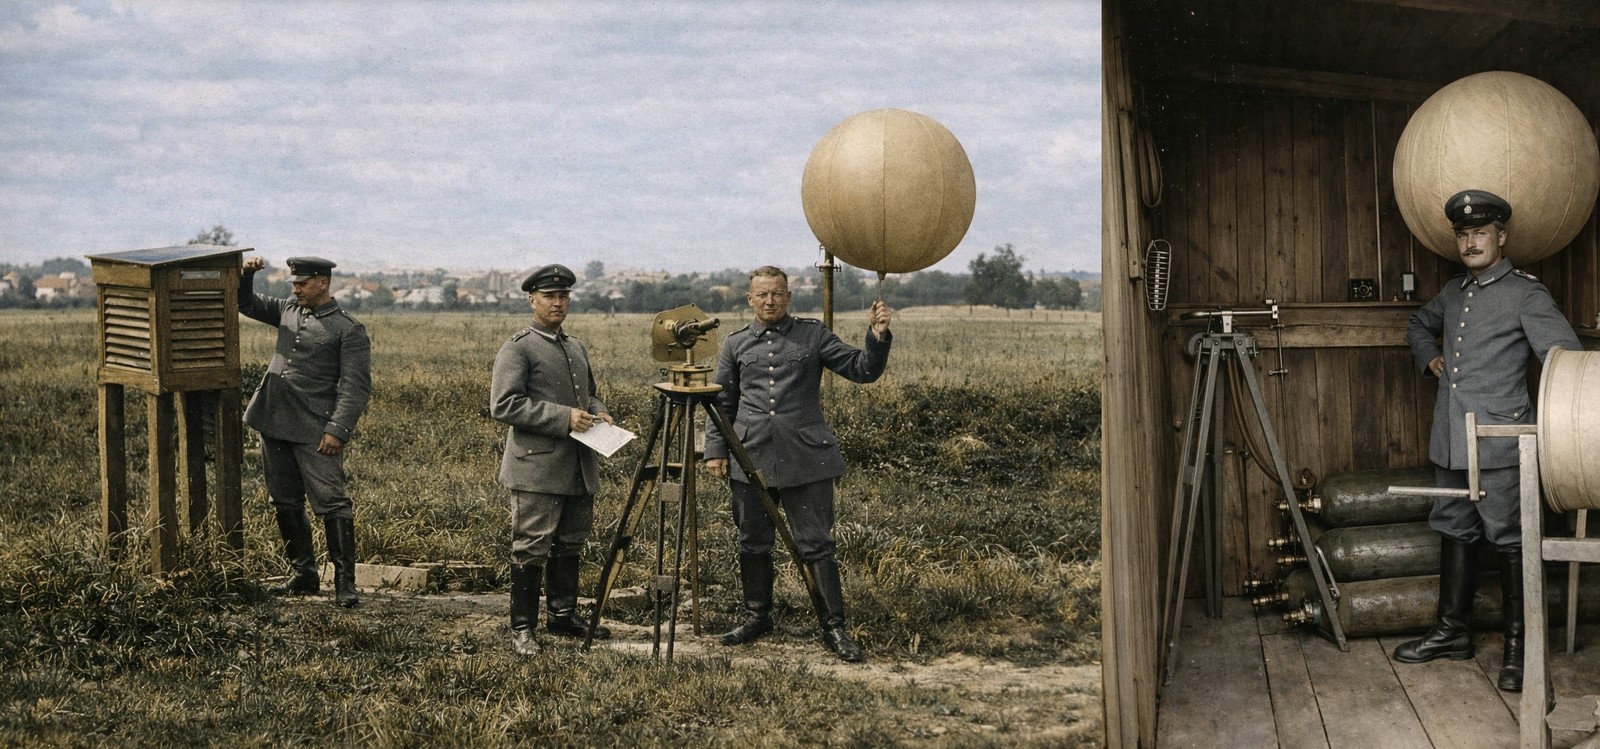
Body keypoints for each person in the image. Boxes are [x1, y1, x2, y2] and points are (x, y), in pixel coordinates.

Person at [1394, 189, 1580, 693]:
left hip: (1501, 443)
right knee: (1454, 528)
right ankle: (1451, 633)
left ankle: (1521, 649)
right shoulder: (1454, 291)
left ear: (1502, 237)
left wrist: (1562, 429)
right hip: (1451, 439)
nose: (1470, 242)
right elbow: (1418, 323)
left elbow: (1565, 361)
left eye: (1479, 233)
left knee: (1511, 539)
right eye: (1463, 234)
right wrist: (1428, 356)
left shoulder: (1526, 294)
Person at [703, 265, 892, 663]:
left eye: (777, 293)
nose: (770, 301)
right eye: (762, 295)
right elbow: (723, 403)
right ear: (749, 300)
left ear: (789, 297)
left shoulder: (813, 334)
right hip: (751, 458)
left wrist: (877, 337)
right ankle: (757, 618)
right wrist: (716, 450)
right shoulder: (736, 343)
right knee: (753, 542)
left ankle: (834, 627)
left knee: (816, 544)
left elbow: (862, 370)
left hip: (806, 459)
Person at [490, 263, 614, 655]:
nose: (558, 303)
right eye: (549, 297)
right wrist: (564, 418)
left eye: (563, 296)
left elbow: (588, 395)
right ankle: (522, 628)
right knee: (531, 546)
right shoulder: (518, 347)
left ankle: (562, 616)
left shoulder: (574, 347)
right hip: (537, 466)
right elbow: (504, 404)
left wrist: (600, 412)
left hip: (578, 464)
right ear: (532, 300)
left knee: (571, 542)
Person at [239, 255, 372, 608]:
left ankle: (344, 584)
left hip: (315, 429)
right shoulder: (288, 309)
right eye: (293, 284)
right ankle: (304, 575)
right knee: (284, 500)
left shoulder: (348, 329)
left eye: (302, 283)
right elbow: (245, 303)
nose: (295, 289)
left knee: (331, 502)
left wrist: (337, 430)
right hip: (273, 420)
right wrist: (247, 274)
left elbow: (355, 387)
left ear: (323, 283)